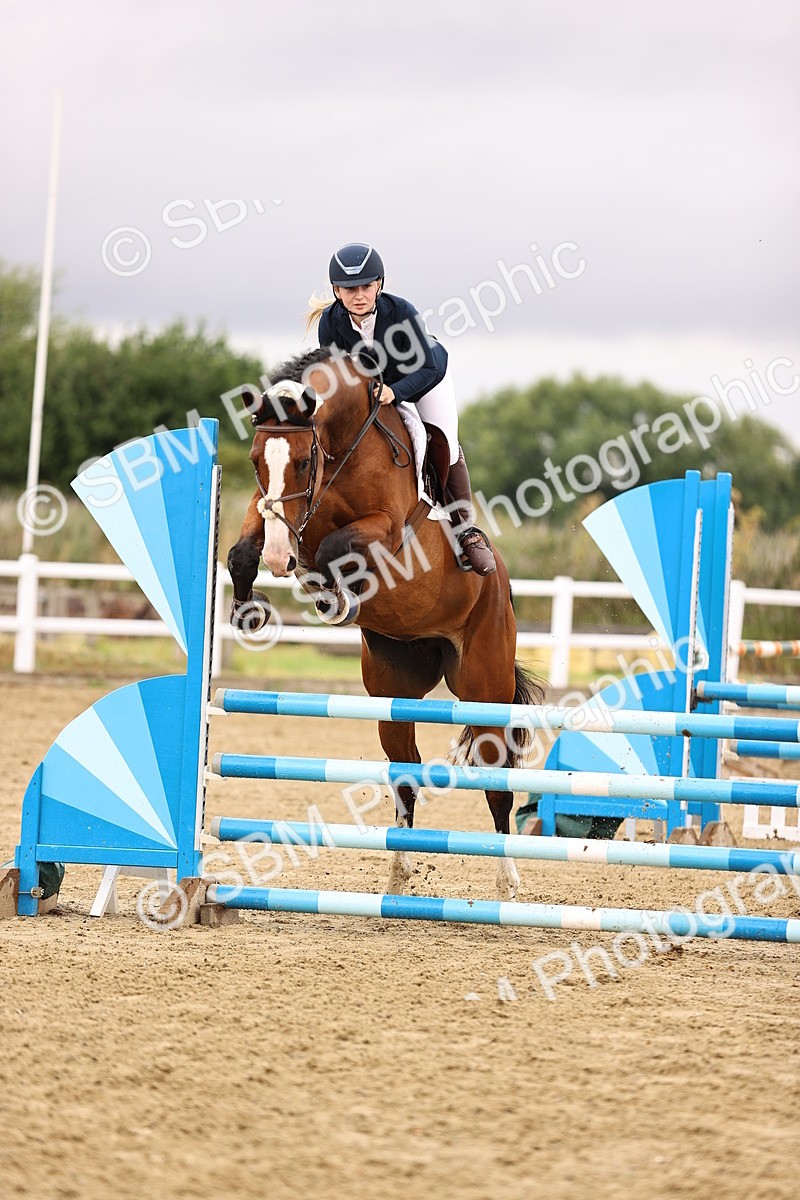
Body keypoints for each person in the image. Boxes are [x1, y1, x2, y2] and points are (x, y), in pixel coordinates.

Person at [307, 242, 496, 576]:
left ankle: (466, 529)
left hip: (424, 381)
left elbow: (428, 370)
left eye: (366, 287)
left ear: (379, 284)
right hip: (375, 389)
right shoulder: (330, 323)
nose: (359, 296)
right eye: (350, 289)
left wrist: (395, 393)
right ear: (336, 291)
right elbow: (337, 377)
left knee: (445, 442)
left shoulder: (402, 313)